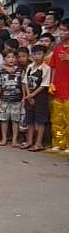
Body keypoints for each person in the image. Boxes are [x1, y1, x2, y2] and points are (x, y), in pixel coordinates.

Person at [23, 45, 51, 151]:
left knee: (40, 121)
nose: (37, 56)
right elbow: (25, 81)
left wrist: (32, 95)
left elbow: (44, 85)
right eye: (35, 54)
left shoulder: (46, 68)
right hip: (29, 95)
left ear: (44, 55)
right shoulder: (30, 67)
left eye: (39, 54)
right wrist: (28, 94)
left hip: (40, 97)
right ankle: (30, 141)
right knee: (29, 120)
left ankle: (38, 143)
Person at [0, 51, 24, 147]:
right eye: (8, 57)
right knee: (4, 120)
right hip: (4, 98)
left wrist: (23, 97)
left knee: (15, 120)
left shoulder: (20, 71)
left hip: (16, 99)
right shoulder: (1, 71)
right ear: (4, 59)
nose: (11, 59)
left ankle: (14, 140)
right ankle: (4, 138)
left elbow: (23, 85)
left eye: (13, 57)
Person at [49, 18, 69, 152]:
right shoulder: (57, 48)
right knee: (57, 118)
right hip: (58, 88)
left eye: (65, 30)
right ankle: (59, 143)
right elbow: (53, 67)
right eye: (61, 30)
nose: (62, 33)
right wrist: (51, 82)